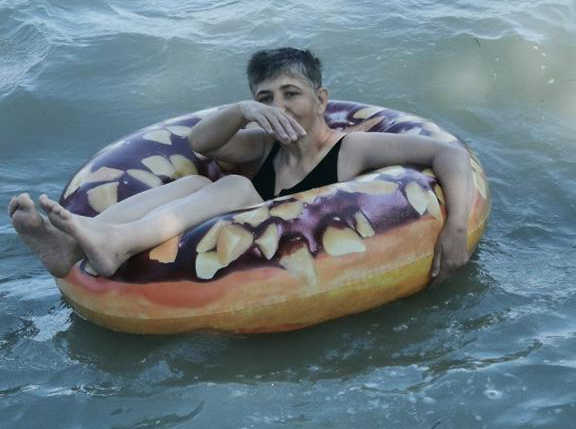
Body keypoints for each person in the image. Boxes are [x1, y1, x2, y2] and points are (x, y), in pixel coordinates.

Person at [9, 47, 473, 287]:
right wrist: (241, 111)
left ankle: (114, 243)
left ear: (321, 100)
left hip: (289, 264)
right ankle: (74, 246)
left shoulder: (351, 149)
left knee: (236, 188)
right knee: (194, 178)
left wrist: (455, 229)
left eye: (291, 94)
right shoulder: (262, 145)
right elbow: (199, 142)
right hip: (226, 248)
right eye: (265, 98)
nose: (279, 106)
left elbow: (447, 153)